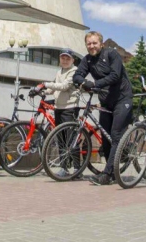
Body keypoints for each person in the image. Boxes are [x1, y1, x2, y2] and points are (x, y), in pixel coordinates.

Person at [73, 31, 133, 186]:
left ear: (101, 44)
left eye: (94, 43)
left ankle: (106, 174)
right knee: (106, 139)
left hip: (122, 99)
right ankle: (112, 173)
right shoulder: (87, 60)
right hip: (106, 102)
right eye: (89, 44)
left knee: (115, 134)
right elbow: (77, 75)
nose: (92, 46)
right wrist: (84, 82)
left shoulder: (112, 54)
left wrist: (94, 84)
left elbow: (115, 76)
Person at [35, 49, 81, 178]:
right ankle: (64, 167)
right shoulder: (59, 71)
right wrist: (42, 92)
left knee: (71, 139)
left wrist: (44, 84)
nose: (65, 60)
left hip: (70, 107)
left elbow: (64, 86)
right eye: (63, 58)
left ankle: (78, 168)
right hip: (59, 108)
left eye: (68, 58)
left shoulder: (74, 71)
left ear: (73, 60)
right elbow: (53, 88)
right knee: (60, 138)